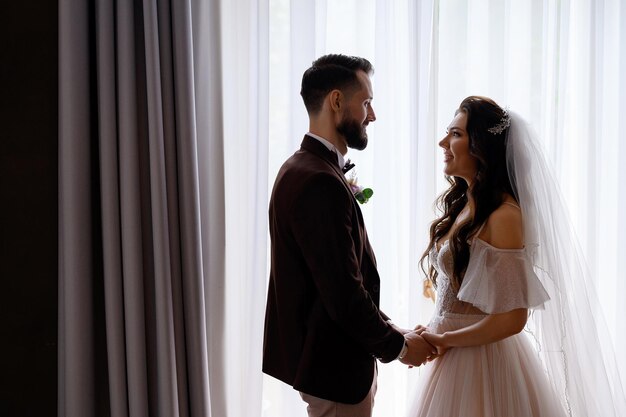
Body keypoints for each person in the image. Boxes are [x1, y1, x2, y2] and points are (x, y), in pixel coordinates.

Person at [407, 96, 626, 417]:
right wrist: (435, 331)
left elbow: (512, 319)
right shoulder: (464, 207)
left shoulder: (504, 215)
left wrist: (445, 337)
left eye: (455, 134)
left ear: (482, 145)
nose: (443, 142)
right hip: (451, 356)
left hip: (481, 364)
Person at [262, 54, 436, 417]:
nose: (372, 115)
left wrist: (393, 329)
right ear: (337, 101)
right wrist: (400, 347)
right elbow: (342, 295)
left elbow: (336, 280)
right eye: (367, 103)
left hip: (334, 363)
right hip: (334, 368)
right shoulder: (318, 181)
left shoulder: (302, 167)